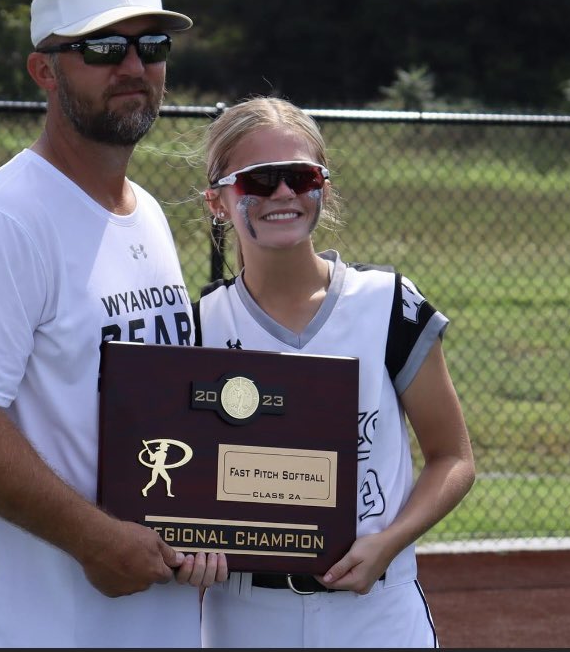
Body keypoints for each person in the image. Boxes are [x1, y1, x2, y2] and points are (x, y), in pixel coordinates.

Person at [0, 0, 226, 648]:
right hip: (27, 624)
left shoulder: (142, 211)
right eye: (102, 47)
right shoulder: (2, 220)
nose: (133, 66)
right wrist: (93, 538)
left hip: (141, 619)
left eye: (153, 45)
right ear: (43, 70)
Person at [194, 96, 476, 648]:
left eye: (300, 176)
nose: (283, 194)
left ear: (323, 186)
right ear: (218, 202)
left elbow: (454, 458)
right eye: (260, 179)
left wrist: (388, 542)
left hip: (376, 609)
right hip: (245, 615)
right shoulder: (198, 327)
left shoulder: (388, 303)